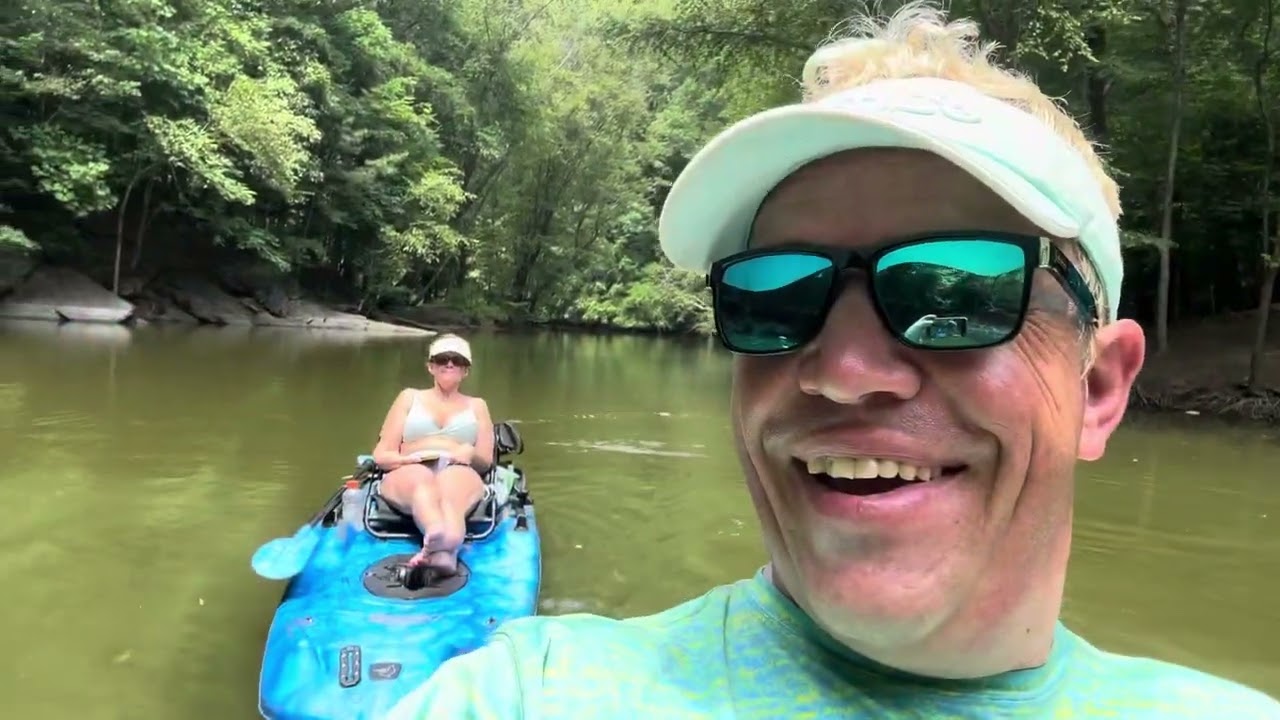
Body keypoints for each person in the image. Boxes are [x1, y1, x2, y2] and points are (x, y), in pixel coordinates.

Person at [387, 3, 1280, 718]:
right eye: (776, 297)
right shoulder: (526, 694)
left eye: (954, 294)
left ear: (1097, 389)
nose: (844, 367)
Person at [371, 333, 495, 575]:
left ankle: (442, 551)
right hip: (411, 465)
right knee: (422, 483)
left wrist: (469, 453)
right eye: (442, 359)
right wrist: (405, 459)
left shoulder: (477, 405)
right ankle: (439, 537)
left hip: (457, 467)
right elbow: (382, 455)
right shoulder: (409, 397)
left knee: (451, 495)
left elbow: (485, 461)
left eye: (457, 360)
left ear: (465, 371)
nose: (449, 364)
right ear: (431, 366)